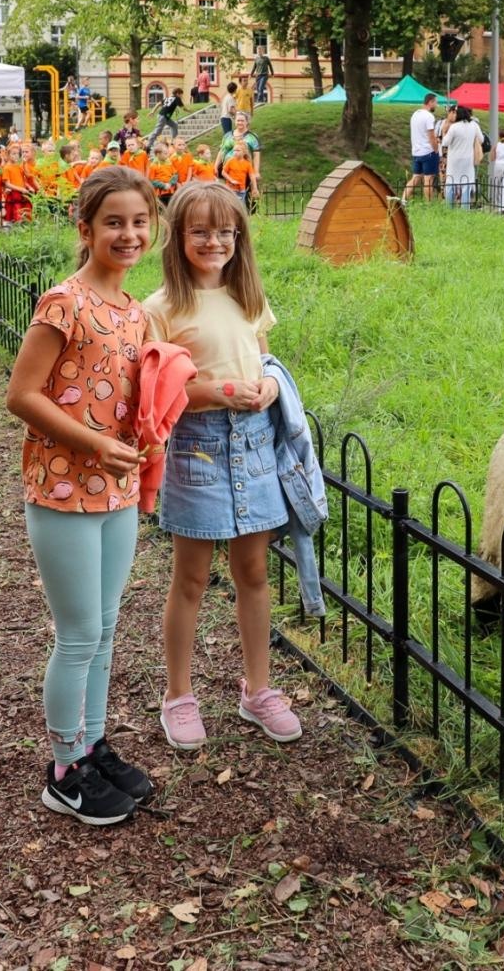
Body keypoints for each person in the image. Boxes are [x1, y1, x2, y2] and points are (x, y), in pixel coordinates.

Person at [4, 166, 158, 826]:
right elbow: (22, 395)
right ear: (87, 228)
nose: (128, 234)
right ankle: (63, 771)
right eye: (114, 222)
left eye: (139, 222)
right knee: (77, 635)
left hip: (116, 492)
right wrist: (93, 443)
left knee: (105, 628)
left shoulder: (134, 312)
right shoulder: (63, 303)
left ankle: (91, 747)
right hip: (63, 490)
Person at [143, 182, 304, 752]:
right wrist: (218, 392)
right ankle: (178, 695)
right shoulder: (161, 309)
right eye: (201, 232)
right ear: (178, 237)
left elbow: (260, 358)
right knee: (190, 577)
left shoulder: (248, 298)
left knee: (254, 572)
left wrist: (264, 384)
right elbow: (162, 389)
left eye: (226, 231)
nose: (215, 242)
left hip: (254, 441)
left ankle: (257, 689)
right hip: (199, 446)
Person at [441, 105, 482, 209]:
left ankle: (449, 208)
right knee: (466, 184)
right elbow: (481, 139)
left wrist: (444, 131)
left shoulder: (454, 127)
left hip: (454, 160)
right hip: (467, 160)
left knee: (451, 182)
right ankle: (465, 209)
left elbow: (445, 142)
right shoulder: (473, 125)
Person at [403, 93, 441, 203]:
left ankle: (403, 200)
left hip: (416, 152)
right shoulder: (429, 116)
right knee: (428, 179)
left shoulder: (415, 115)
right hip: (428, 152)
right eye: (436, 103)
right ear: (430, 102)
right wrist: (436, 149)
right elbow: (431, 136)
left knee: (415, 178)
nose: (436, 105)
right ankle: (429, 204)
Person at [487, 127, 504, 213]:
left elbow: (492, 158)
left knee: (497, 185)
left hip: (498, 165)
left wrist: (493, 151)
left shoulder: (496, 145)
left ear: (499, 136)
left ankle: (498, 205)